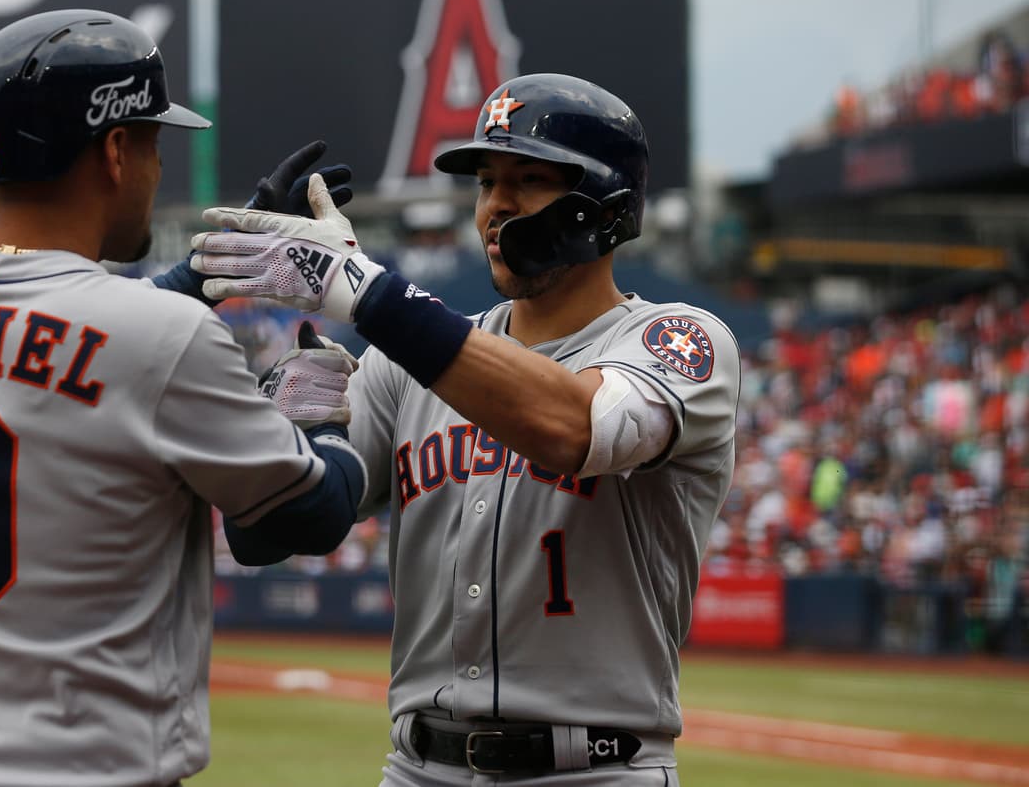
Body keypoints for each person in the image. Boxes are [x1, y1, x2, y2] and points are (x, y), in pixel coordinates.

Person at [0, 9, 367, 787]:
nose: (156, 171)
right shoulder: (158, 336)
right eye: (153, 144)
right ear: (116, 150)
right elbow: (310, 516)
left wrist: (197, 277)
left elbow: (60, 330)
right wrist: (322, 418)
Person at [192, 74, 742, 785]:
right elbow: (269, 533)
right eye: (487, 181)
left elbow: (573, 427)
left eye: (528, 180)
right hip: (419, 767)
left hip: (595, 771)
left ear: (600, 207)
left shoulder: (680, 340)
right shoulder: (400, 365)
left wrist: (366, 291)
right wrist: (292, 433)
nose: (496, 206)